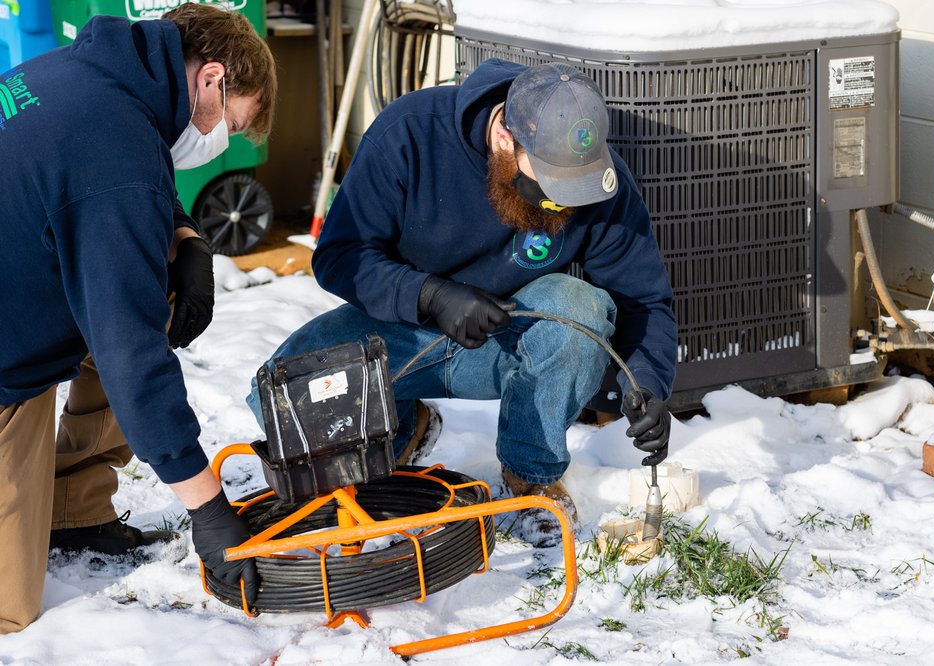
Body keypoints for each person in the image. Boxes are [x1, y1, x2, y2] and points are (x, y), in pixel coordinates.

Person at [248, 58, 676, 546]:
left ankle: (531, 475)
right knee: (277, 399)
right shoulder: (409, 133)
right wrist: (429, 295)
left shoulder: (594, 177)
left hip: (511, 341)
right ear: (504, 139)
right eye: (550, 185)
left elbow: (643, 299)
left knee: (578, 306)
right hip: (402, 334)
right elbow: (339, 256)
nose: (561, 203)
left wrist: (648, 382)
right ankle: (404, 426)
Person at [0, 4, 276, 633]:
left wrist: (184, 235)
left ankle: (72, 510)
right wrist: (209, 510)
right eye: (231, 124)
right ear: (211, 80)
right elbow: (133, 357)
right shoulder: (112, 151)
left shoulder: (92, 73)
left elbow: (115, 166)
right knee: (9, 609)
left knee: (150, 291)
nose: (223, 140)